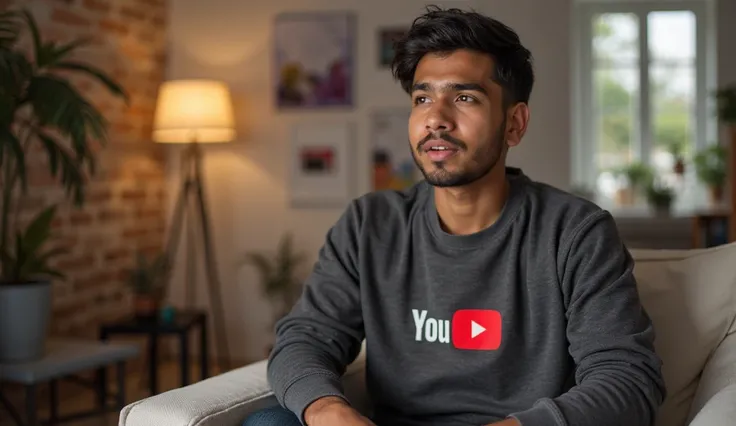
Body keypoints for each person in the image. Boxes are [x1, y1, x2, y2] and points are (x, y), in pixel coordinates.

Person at [243, 5, 666, 426]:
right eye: (422, 98)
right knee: (269, 423)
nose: (436, 119)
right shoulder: (369, 225)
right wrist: (328, 410)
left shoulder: (575, 232)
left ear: (514, 124)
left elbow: (627, 379)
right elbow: (304, 339)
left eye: (464, 97)